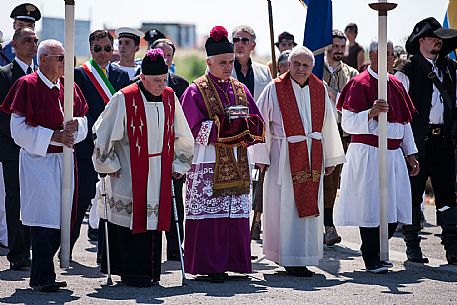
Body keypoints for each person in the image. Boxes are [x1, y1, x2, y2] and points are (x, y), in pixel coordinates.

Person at [92, 48, 194, 287]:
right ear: (143, 78)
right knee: (130, 222)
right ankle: (130, 272)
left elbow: (184, 135)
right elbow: (103, 133)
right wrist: (109, 163)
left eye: (164, 79)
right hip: (129, 169)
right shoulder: (124, 98)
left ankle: (150, 271)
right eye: (156, 81)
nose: (161, 85)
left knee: (153, 221)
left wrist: (178, 163)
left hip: (158, 170)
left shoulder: (170, 97)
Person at [1, 39, 88, 292]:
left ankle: (44, 271)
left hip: (65, 161)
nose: (64, 63)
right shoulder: (26, 85)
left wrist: (75, 130)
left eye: (65, 57)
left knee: (62, 218)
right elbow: (17, 130)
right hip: (39, 162)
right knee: (43, 220)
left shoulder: (68, 86)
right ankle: (42, 275)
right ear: (44, 59)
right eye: (59, 58)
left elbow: (83, 119)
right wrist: (53, 136)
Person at [180, 26, 265, 283]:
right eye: (223, 62)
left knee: (234, 213)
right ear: (209, 62)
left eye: (230, 62)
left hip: (237, 161)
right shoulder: (195, 90)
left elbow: (257, 120)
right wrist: (223, 126)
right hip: (209, 160)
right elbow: (188, 129)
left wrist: (245, 126)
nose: (229, 66)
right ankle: (210, 265)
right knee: (210, 214)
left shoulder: (240, 88)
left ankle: (234, 261)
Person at [252, 46, 345, 277]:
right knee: (285, 206)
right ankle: (287, 255)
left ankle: (305, 255)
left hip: (313, 154)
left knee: (308, 207)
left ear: (312, 67)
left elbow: (328, 124)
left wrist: (331, 158)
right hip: (283, 155)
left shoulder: (319, 88)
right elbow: (260, 122)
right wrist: (261, 156)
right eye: (297, 64)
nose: (301, 69)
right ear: (289, 64)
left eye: (306, 65)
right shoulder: (275, 88)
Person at [334, 38, 419, 273]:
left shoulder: (396, 84)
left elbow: (405, 122)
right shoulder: (359, 83)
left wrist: (410, 152)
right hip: (369, 154)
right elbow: (348, 124)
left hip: (393, 155)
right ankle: (371, 257)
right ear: (372, 56)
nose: (391, 58)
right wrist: (370, 112)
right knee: (371, 207)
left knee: (392, 208)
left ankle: (381, 251)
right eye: (386, 54)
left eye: (392, 54)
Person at [395, 17, 457, 265]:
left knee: (448, 196)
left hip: (444, 142)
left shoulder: (451, 69)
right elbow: (398, 111)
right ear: (421, 40)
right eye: (434, 37)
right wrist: (404, 146)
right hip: (416, 142)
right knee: (413, 195)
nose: (438, 42)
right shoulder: (406, 71)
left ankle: (453, 246)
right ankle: (412, 245)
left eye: (441, 38)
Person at [71, 30, 130, 260]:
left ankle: (106, 254)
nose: (103, 53)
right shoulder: (79, 74)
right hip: (87, 145)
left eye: (107, 48)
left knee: (112, 199)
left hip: (114, 146)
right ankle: (66, 246)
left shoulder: (121, 76)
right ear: (90, 49)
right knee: (82, 197)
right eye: (98, 48)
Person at [0, 27, 38, 270]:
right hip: (14, 151)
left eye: (35, 40)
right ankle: (18, 253)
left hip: (39, 151)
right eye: (27, 40)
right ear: (14, 45)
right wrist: (24, 139)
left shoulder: (42, 74)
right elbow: (3, 117)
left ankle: (34, 249)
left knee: (35, 201)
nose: (32, 44)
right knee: (16, 201)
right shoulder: (3, 75)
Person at [230, 25, 272, 240]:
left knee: (257, 186)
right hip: (232, 138)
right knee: (236, 189)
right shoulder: (225, 69)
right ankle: (237, 234)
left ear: (253, 45)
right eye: (236, 39)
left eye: (245, 40)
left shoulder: (265, 71)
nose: (240, 44)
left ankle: (254, 224)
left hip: (257, 140)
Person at [150, 38, 190, 261]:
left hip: (172, 154)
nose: (164, 59)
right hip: (145, 156)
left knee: (176, 202)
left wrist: (182, 160)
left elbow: (185, 126)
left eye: (168, 55)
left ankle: (175, 248)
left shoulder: (181, 84)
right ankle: (151, 248)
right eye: (160, 54)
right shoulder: (137, 83)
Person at [322, 29, 358, 246]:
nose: (338, 51)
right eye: (334, 46)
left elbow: (353, 105)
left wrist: (335, 96)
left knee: (332, 181)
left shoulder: (352, 75)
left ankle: (328, 224)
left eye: (341, 47)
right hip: (316, 133)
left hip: (340, 132)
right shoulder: (315, 70)